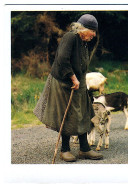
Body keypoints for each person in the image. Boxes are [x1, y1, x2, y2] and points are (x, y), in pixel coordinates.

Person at [34, 14, 103, 162]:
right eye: (93, 31)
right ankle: (65, 150)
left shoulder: (83, 41)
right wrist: (73, 78)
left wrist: (81, 79)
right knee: (68, 114)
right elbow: (62, 59)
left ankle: (84, 149)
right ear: (85, 29)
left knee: (84, 112)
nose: (94, 35)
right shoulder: (70, 37)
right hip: (64, 82)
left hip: (79, 81)